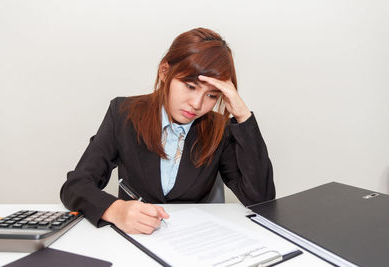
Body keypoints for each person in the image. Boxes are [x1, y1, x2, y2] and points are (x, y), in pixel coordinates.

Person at [60, 27, 275, 235]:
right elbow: (75, 186)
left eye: (212, 95)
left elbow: (261, 200)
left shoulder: (220, 129)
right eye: (190, 86)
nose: (197, 104)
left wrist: (243, 116)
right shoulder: (123, 114)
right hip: (133, 240)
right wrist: (116, 210)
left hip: (195, 243)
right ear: (165, 72)